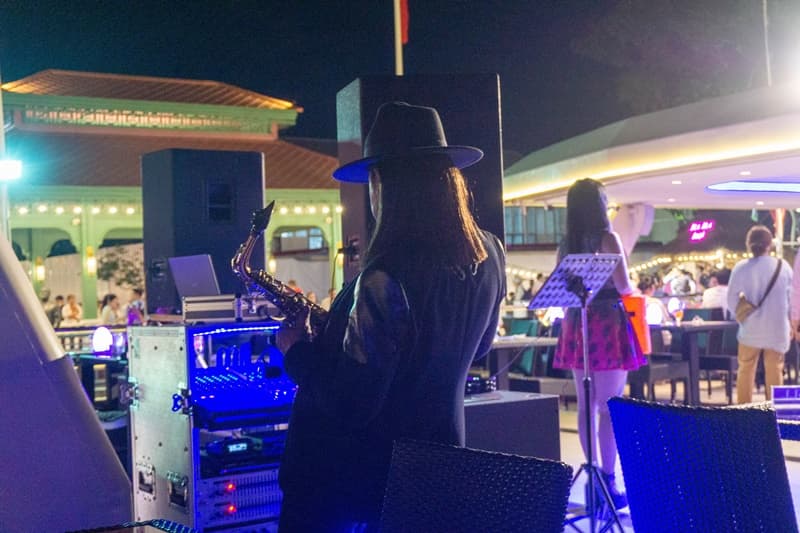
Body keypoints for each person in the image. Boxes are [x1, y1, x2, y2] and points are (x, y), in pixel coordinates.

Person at [274, 101, 506, 531]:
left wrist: (297, 351)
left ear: (383, 184)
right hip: (439, 463)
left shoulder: (386, 275)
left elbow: (352, 403)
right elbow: (479, 346)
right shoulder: (490, 251)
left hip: (360, 481)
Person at [552, 178, 646, 511]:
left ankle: (592, 478)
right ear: (600, 205)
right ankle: (609, 480)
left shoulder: (567, 243)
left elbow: (562, 288)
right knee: (608, 406)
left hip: (577, 323)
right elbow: (623, 286)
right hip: (606, 322)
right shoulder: (608, 238)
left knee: (585, 405)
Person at [727, 225, 791, 404]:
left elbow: (731, 298)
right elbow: (792, 298)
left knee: (745, 370)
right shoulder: (782, 266)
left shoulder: (741, 268)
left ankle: (744, 411)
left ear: (749, 245)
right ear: (769, 244)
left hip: (750, 329)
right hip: (777, 328)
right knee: (775, 370)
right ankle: (774, 411)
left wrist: (741, 315)